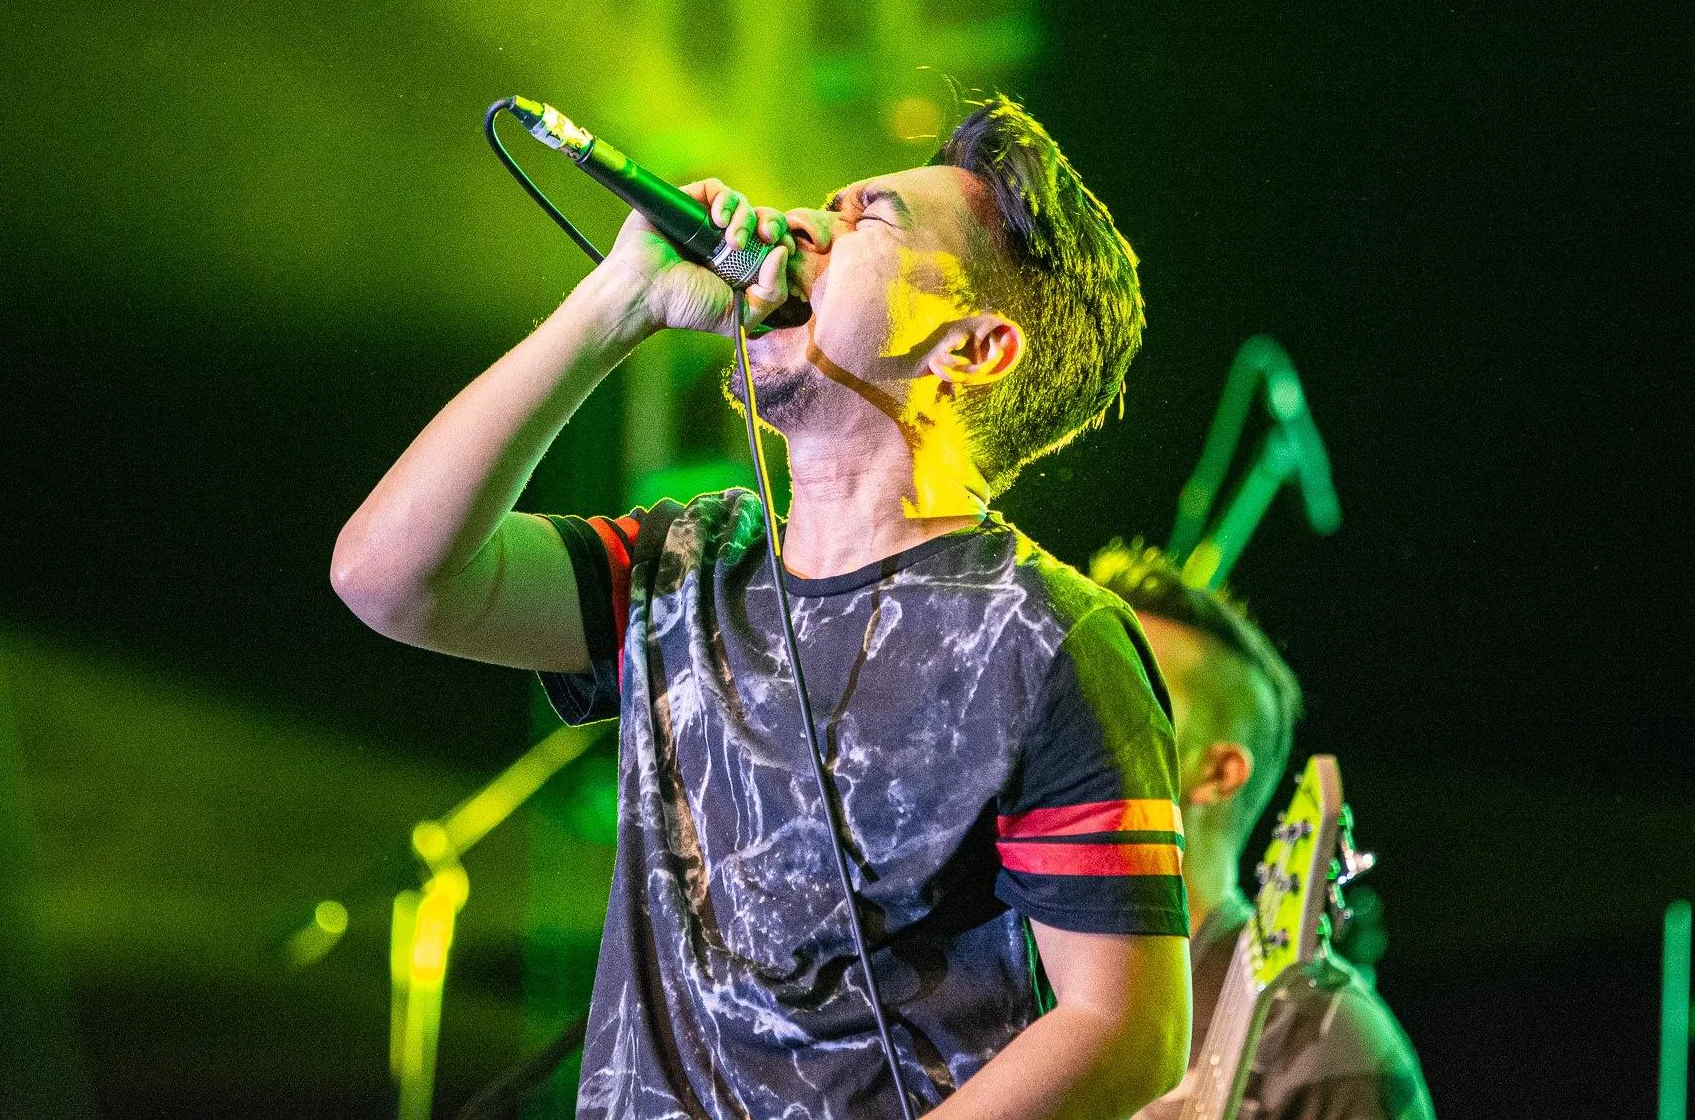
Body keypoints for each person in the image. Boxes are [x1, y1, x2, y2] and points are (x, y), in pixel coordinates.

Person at [333, 97, 1191, 1119]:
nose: (795, 227)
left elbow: (1126, 1030)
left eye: (865, 218)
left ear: (971, 348)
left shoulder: (1042, 635)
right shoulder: (685, 567)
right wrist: (614, 305)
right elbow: (387, 578)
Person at [1087, 543, 1433, 1120]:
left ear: (1217, 773)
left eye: (1117, 690)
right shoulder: (996, 991)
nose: (1065, 717)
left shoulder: (1322, 1037)